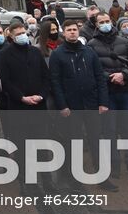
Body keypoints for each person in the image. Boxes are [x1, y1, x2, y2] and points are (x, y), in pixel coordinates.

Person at [48, 20, 112, 190]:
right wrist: (62, 105)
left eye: (74, 30)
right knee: (74, 143)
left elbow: (100, 77)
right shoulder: (57, 54)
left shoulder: (89, 52)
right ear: (64, 33)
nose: (72, 33)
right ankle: (75, 179)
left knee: (96, 141)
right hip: (71, 106)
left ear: (79, 31)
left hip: (91, 104)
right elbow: (55, 82)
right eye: (68, 30)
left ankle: (102, 178)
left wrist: (103, 102)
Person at [88, 12, 128, 177]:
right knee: (110, 130)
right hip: (107, 93)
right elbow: (93, 69)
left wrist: (124, 75)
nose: (105, 24)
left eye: (107, 21)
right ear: (96, 25)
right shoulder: (92, 45)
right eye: (102, 22)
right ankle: (115, 166)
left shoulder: (124, 42)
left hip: (125, 91)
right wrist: (111, 77)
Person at [0, 18, 49, 110]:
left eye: (23, 33)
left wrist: (41, 95)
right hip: (18, 104)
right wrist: (21, 97)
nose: (22, 35)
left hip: (39, 103)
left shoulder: (35, 51)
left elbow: (45, 75)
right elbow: (5, 80)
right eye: (18, 34)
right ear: (12, 36)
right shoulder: (4, 54)